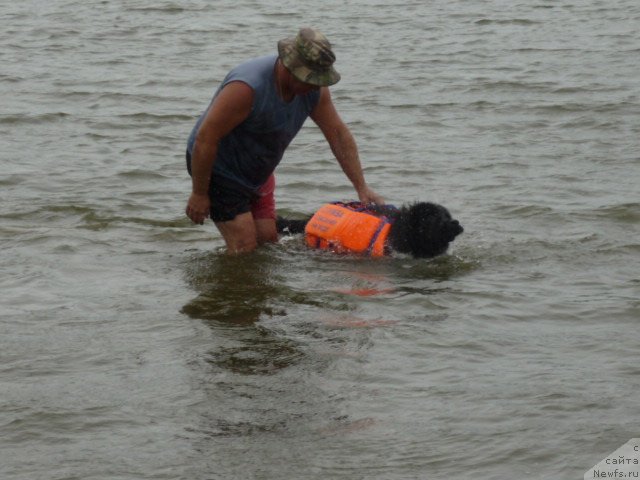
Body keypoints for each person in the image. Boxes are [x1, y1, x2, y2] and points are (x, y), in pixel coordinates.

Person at [185, 27, 383, 254]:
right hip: (221, 168)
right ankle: (224, 288)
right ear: (290, 69)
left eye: (318, 80)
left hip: (258, 170)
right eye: (309, 80)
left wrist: (361, 187)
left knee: (268, 242)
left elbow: (337, 133)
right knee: (243, 247)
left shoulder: (315, 91)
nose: (314, 86)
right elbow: (205, 139)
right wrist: (199, 193)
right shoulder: (247, 88)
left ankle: (248, 287)